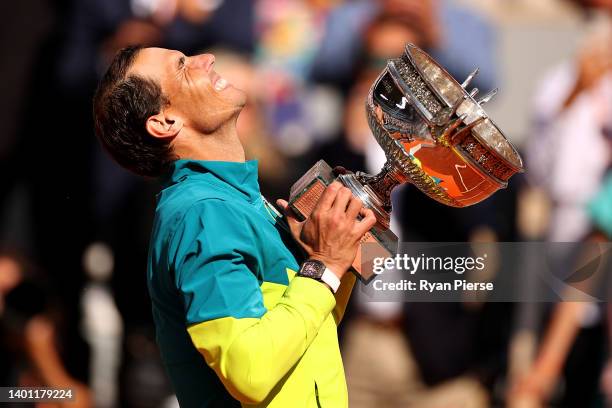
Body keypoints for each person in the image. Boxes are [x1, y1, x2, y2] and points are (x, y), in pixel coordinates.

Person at [92, 45, 376, 407]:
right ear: (164, 122)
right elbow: (250, 371)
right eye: (182, 67)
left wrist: (337, 256)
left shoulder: (237, 200)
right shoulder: (203, 213)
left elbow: (305, 338)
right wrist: (323, 266)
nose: (205, 59)